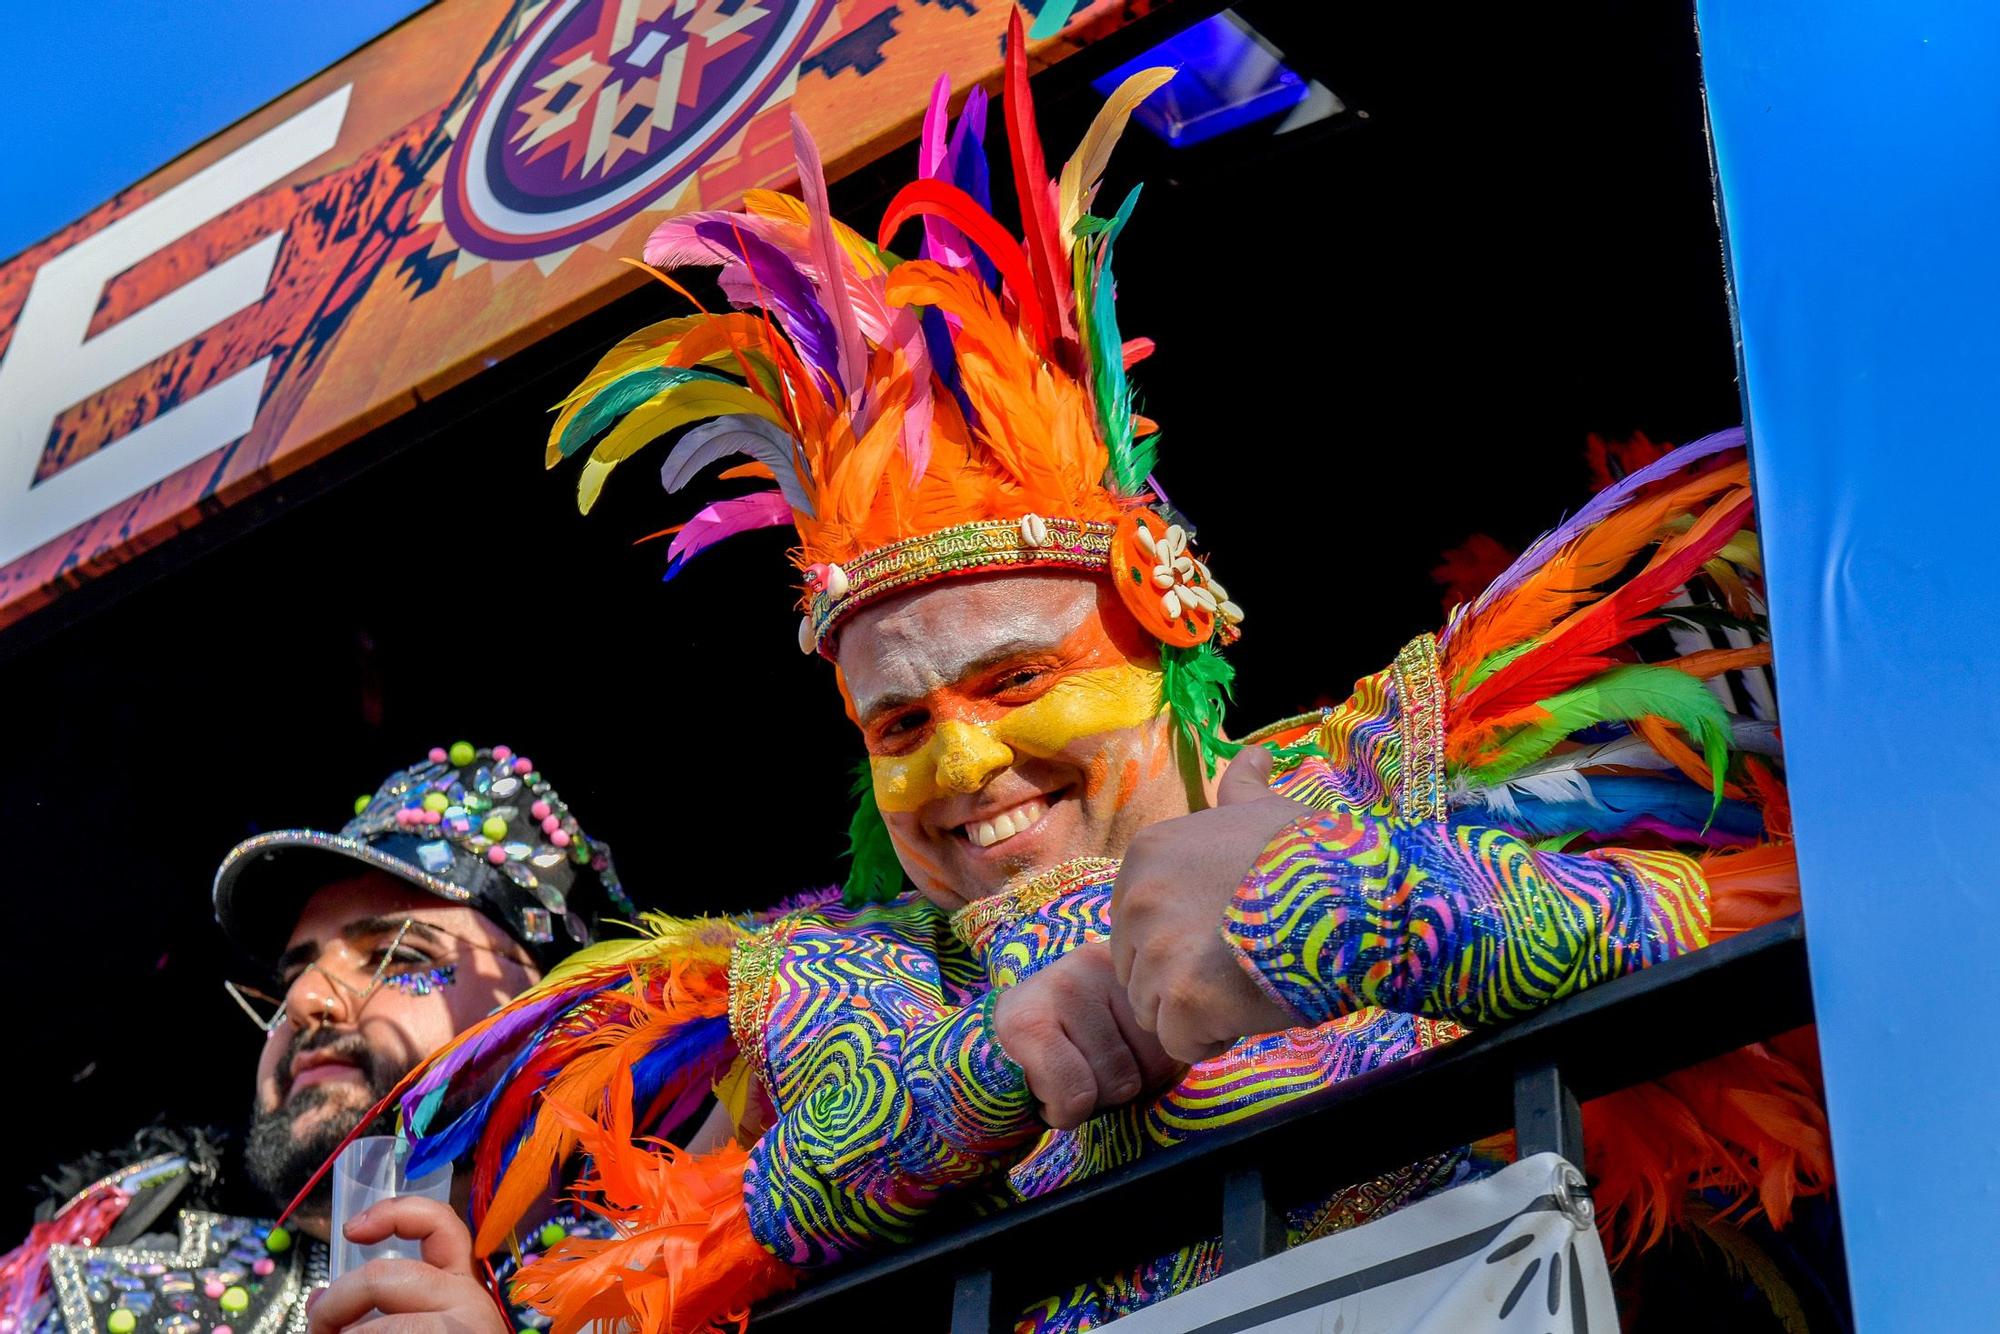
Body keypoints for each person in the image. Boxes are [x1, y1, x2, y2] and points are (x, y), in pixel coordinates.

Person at [362, 17, 1829, 1334]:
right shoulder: (810, 990)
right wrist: (977, 1081)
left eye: (1012, 682)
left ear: (1170, 625)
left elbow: (1832, 918)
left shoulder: (1403, 761)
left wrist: (1374, 910)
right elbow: (664, 1270)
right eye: (900, 723)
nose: (962, 767)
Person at [0, 743, 632, 1334]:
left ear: (566, 1018)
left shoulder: (698, 1286)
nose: (305, 1002)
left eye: (398, 954)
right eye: (294, 975)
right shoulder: (122, 1289)